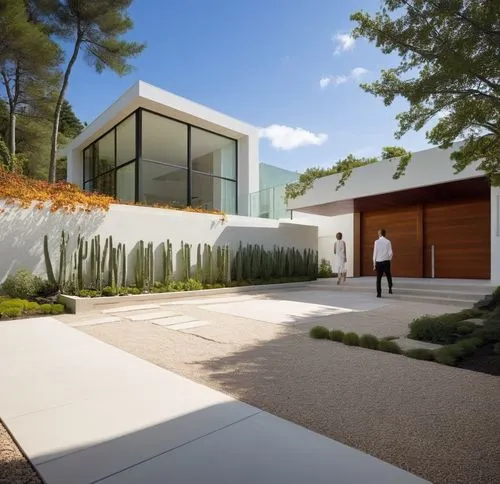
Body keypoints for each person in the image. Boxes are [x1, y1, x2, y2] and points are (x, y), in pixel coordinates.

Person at [373, 228, 393, 298]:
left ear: (380, 234)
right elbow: (390, 253)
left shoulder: (376, 242)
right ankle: (390, 289)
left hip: (378, 262)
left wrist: (374, 264)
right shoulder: (388, 242)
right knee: (388, 276)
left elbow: (374, 254)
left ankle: (379, 294)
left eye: (378, 233)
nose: (378, 234)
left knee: (378, 279)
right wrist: (389, 259)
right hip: (386, 261)